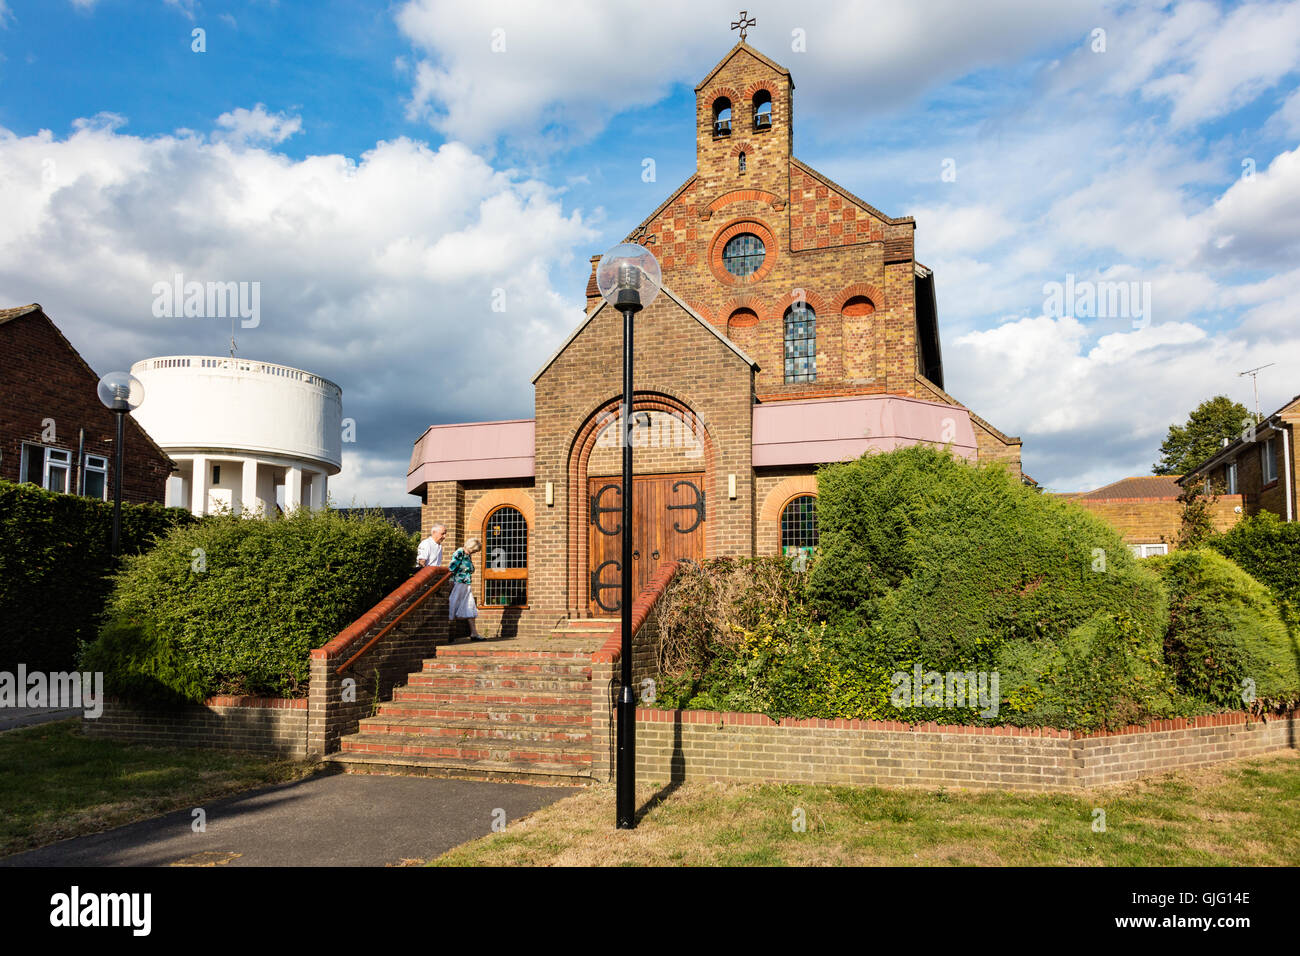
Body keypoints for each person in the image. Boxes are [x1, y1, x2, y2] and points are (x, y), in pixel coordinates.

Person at [447, 537, 484, 641]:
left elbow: (470, 569)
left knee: (470, 606)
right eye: (475, 550)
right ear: (470, 546)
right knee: (453, 605)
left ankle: (474, 633)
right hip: (458, 583)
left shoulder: (468, 555)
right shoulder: (459, 553)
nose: (475, 552)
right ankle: (448, 633)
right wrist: (450, 581)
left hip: (466, 584)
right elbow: (452, 568)